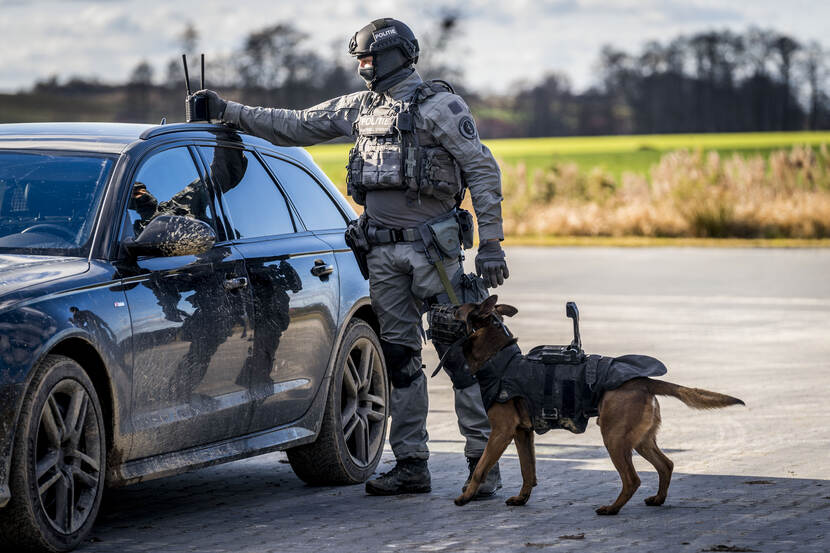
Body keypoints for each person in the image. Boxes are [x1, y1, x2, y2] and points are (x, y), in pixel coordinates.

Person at [191, 17, 509, 497]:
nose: (363, 67)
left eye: (369, 58)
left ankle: (482, 468)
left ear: (396, 56)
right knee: (399, 358)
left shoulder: (441, 106)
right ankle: (411, 465)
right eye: (359, 59)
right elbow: (296, 125)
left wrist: (491, 244)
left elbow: (482, 170)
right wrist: (227, 111)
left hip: (434, 253)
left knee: (458, 354)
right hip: (380, 253)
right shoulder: (360, 107)